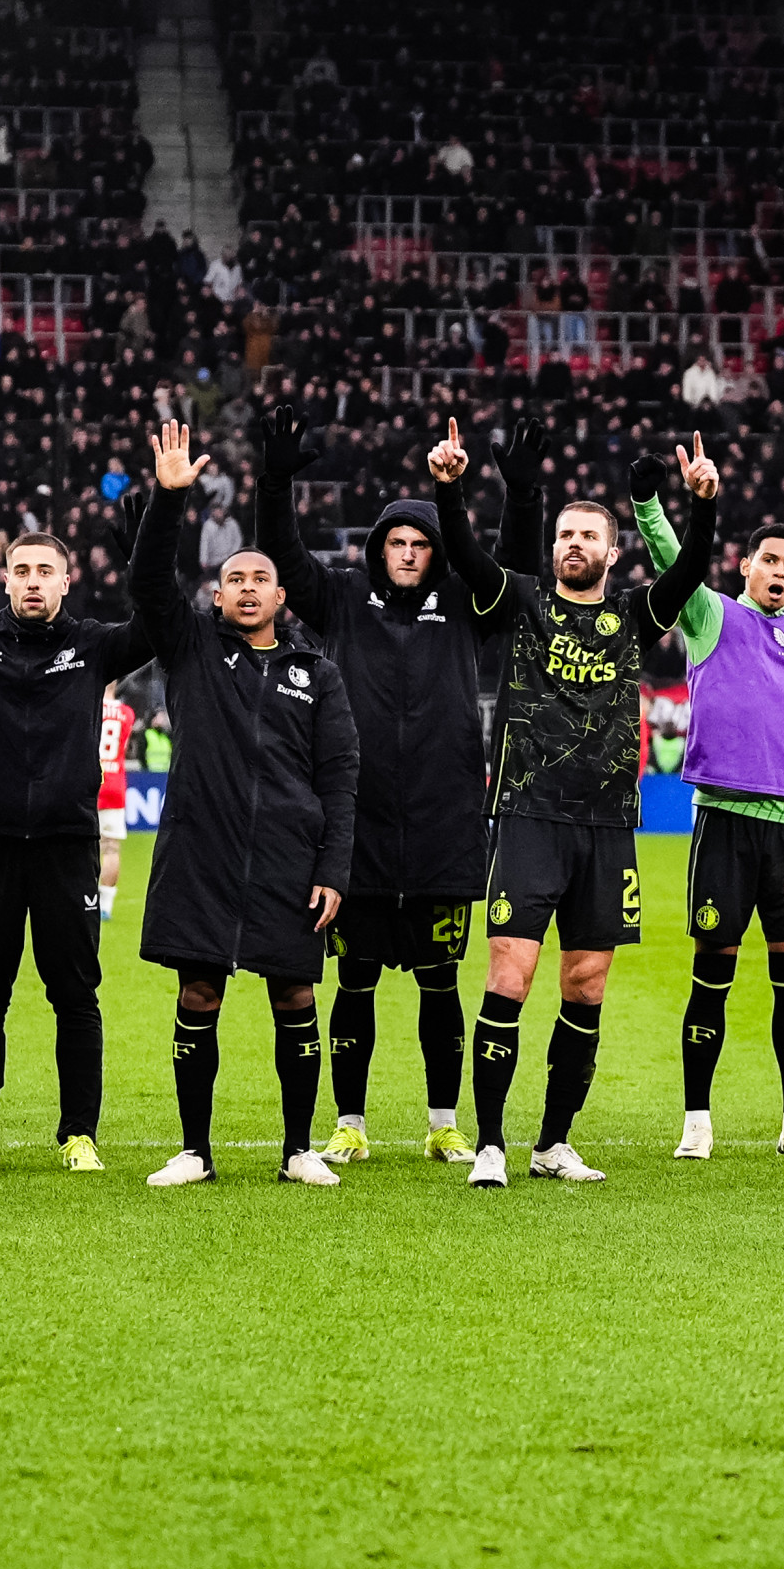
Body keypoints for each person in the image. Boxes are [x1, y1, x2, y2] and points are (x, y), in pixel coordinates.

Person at [430, 431, 719, 1187]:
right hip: (527, 817)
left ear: (612, 552)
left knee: (586, 982)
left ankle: (552, 1142)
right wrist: (452, 491)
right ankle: (490, 1141)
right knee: (509, 976)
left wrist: (702, 505)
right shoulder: (521, 600)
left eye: (589, 535)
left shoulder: (632, 615)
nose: (573, 544)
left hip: (607, 826)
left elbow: (689, 570)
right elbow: (464, 554)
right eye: (565, 534)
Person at [261, 411, 538, 1165]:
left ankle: (444, 1120)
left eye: (421, 544)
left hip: (447, 824)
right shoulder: (342, 599)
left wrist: (521, 491)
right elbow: (282, 552)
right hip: (358, 828)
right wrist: (275, 478)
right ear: (377, 548)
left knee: (440, 982)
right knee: (351, 981)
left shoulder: (465, 604)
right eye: (397, 542)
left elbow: (511, 568)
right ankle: (349, 1121)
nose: (410, 554)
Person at [127, 423, 359, 1188]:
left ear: (281, 595)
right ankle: (195, 1149)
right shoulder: (192, 647)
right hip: (203, 854)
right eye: (236, 579)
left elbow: (340, 776)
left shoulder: (315, 672)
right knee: (199, 992)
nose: (250, 586)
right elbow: (147, 584)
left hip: (290, 862)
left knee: (295, 993)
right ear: (217, 594)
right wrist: (169, 498)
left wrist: (333, 868)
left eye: (262, 577)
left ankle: (299, 1150)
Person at [0, 523, 158, 1175]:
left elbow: (155, 625)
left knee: (75, 993)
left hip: (66, 847)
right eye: (22, 570)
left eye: (45, 571)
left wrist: (144, 553)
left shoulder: (91, 647)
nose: (33, 581)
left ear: (68, 580)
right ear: (5, 578)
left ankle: (78, 1133)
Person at [629, 476, 784, 1162]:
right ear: (746, 566)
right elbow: (672, 559)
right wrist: (652, 507)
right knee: (710, 977)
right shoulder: (711, 616)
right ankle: (697, 1121)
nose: (778, 572)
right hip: (723, 822)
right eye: (768, 561)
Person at [94, 693, 140, 919]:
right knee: (111, 847)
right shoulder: (126, 713)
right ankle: (106, 905)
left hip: (89, 781)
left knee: (81, 845)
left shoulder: (88, 705)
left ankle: (84, 899)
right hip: (114, 783)